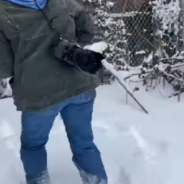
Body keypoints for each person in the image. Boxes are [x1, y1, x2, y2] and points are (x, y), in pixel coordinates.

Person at [0, 0, 107, 184]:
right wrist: (73, 46)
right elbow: (87, 28)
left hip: (39, 96)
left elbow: (5, 68)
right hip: (80, 85)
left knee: (33, 147)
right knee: (84, 144)